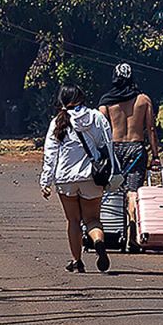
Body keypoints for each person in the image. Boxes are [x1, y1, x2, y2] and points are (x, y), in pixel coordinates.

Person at [41, 84, 116, 273]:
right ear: (82, 97)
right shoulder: (97, 118)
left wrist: (46, 181)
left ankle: (76, 260)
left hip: (65, 178)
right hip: (91, 176)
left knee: (73, 220)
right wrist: (113, 170)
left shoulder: (58, 122)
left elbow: (51, 154)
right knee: (92, 219)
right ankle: (98, 241)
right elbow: (107, 145)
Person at [98, 63, 162, 232]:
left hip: (115, 149)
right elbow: (151, 129)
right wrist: (155, 156)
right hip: (136, 149)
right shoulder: (143, 100)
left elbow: (101, 130)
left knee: (113, 189)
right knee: (133, 190)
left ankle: (114, 227)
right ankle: (132, 221)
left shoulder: (106, 102)